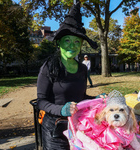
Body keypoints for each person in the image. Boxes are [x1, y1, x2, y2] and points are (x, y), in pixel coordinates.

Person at [37, 2, 98, 150]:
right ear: (59, 44)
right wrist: (61, 110)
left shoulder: (83, 69)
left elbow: (81, 98)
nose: (72, 45)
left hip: (78, 126)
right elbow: (41, 101)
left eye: (77, 41)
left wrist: (96, 100)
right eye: (67, 41)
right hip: (54, 130)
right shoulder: (49, 67)